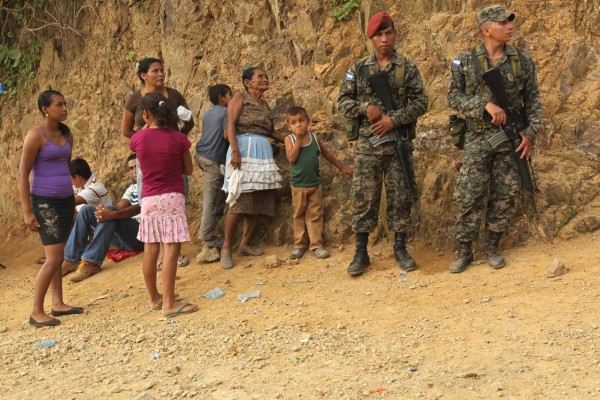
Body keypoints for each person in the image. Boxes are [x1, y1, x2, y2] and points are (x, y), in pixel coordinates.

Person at [447, 5, 541, 273]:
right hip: (477, 137)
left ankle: (493, 247)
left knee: (505, 193)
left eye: (510, 21)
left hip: (511, 137)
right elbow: (453, 97)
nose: (509, 26)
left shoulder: (522, 60)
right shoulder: (464, 61)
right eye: (503, 23)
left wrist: (530, 133)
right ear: (486, 29)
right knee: (469, 195)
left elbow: (533, 98)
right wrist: (484, 106)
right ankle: (464, 251)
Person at [337, 12, 428, 277]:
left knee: (400, 196)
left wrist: (393, 120)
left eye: (389, 33)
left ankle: (400, 249)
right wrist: (366, 108)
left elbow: (421, 102)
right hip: (368, 145)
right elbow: (342, 101)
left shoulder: (406, 68)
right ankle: (361, 252)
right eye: (379, 35)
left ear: (395, 34)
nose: (385, 39)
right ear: (371, 38)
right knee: (364, 198)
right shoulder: (358, 69)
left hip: (398, 143)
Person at [18, 90, 84, 327]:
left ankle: (58, 303)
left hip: (66, 199)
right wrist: (27, 210)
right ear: (46, 109)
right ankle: (36, 311)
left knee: (58, 255)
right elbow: (23, 174)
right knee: (54, 258)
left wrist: (73, 197)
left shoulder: (66, 134)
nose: (65, 108)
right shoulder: (36, 135)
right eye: (59, 105)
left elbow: (66, 168)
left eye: (65, 104)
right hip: (45, 201)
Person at [129, 92, 198, 318]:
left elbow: (138, 141)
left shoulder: (138, 139)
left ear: (146, 114)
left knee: (151, 249)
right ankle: (169, 303)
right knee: (171, 249)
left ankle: (154, 298)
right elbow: (188, 170)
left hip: (148, 198)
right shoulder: (178, 138)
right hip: (172, 197)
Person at [122, 57, 194, 268]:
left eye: (162, 70)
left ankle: (171, 252)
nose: (161, 74)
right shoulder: (135, 99)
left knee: (175, 200)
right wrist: (148, 141)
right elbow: (126, 130)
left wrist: (175, 142)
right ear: (143, 75)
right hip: (149, 159)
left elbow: (189, 121)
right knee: (151, 203)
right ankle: (163, 253)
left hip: (171, 155)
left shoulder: (174, 95)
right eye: (155, 71)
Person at [221, 67, 286, 269]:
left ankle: (245, 244)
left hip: (262, 153)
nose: (265, 79)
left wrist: (291, 141)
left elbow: (271, 131)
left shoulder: (265, 105)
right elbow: (230, 123)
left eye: (266, 76)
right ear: (247, 82)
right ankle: (226, 248)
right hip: (243, 150)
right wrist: (234, 151)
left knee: (258, 198)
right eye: (260, 77)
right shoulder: (240, 97)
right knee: (239, 199)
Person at [284, 106, 353, 260]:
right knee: (298, 215)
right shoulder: (290, 139)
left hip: (314, 184)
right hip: (298, 186)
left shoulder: (314, 138)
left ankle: (316, 245)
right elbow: (291, 158)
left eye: (301, 121)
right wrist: (299, 140)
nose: (299, 125)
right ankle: (299, 245)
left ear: (308, 121)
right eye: (294, 123)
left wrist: (341, 167)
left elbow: (326, 153)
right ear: (289, 126)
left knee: (315, 215)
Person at [62, 154, 144, 282]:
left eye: (137, 167)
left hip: (141, 236)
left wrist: (112, 213)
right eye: (131, 168)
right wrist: (105, 212)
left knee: (110, 211)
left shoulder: (150, 185)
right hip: (123, 239)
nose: (134, 171)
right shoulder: (131, 188)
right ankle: (71, 259)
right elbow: (119, 206)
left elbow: (139, 208)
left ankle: (91, 263)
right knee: (86, 210)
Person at [195, 84, 232, 249]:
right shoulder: (226, 112)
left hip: (200, 155)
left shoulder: (208, 112)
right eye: (230, 95)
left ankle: (210, 231)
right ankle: (207, 236)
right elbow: (226, 134)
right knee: (211, 197)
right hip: (212, 160)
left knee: (219, 194)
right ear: (222, 98)